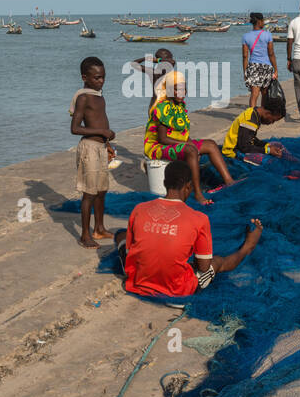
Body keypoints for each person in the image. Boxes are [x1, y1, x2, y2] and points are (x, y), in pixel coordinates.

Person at [115, 158, 263, 298]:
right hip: (178, 290)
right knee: (217, 262)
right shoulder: (199, 219)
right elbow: (204, 268)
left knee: (120, 235)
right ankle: (248, 247)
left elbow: (131, 254)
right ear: (188, 187)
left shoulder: (139, 209)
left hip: (137, 283)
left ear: (164, 183)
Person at [144, 69, 235, 205]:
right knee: (191, 151)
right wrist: (188, 145)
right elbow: (162, 139)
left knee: (210, 144)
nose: (181, 93)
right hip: (158, 146)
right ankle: (197, 193)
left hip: (175, 142)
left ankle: (229, 181)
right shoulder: (162, 108)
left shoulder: (179, 105)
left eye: (183, 89)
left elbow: (182, 133)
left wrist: (189, 142)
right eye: (176, 89)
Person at [70, 56, 116, 248]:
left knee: (102, 190)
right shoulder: (83, 97)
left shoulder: (99, 96)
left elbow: (100, 119)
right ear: (85, 77)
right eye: (96, 78)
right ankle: (84, 235)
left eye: (103, 77)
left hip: (100, 147)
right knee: (89, 193)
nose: (101, 81)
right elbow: (75, 128)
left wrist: (106, 143)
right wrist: (101, 132)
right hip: (88, 148)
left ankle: (99, 228)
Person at [222, 90, 286, 159]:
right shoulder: (249, 120)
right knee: (269, 161)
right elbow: (244, 147)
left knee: (277, 146)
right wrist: (268, 150)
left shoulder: (254, 112)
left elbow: (251, 138)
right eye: (273, 120)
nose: (272, 123)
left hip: (242, 147)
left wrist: (266, 145)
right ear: (268, 113)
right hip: (233, 153)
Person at [241, 13, 278, 109]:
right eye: (263, 21)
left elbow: (245, 56)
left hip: (253, 66)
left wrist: (245, 72)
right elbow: (271, 53)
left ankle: (251, 115)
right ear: (260, 22)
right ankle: (262, 114)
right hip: (266, 67)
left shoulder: (245, 36)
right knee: (265, 93)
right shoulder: (268, 35)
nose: (264, 22)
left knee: (254, 94)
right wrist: (276, 69)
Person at [129, 47, 175, 114]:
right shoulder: (153, 72)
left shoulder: (164, 71)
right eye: (169, 58)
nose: (171, 60)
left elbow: (172, 61)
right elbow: (133, 64)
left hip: (164, 105)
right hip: (156, 106)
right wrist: (146, 58)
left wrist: (157, 60)